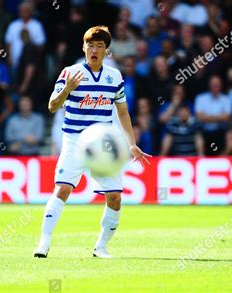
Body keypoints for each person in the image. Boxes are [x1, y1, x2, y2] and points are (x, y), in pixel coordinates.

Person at [33, 26, 151, 259]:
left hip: (103, 144)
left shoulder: (114, 76)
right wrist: (67, 89)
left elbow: (123, 113)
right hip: (75, 140)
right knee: (63, 189)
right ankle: (43, 243)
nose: (94, 50)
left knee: (115, 197)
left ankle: (101, 247)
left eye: (99, 46)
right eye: (90, 45)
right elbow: (52, 106)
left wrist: (131, 144)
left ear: (107, 51)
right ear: (83, 47)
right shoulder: (70, 72)